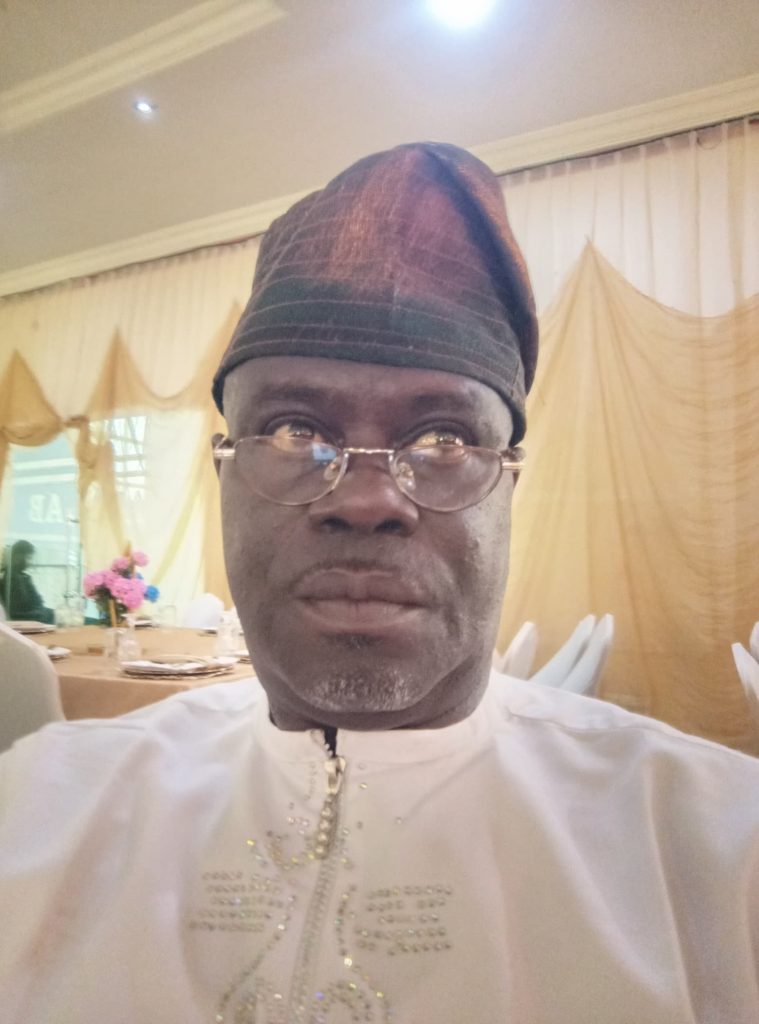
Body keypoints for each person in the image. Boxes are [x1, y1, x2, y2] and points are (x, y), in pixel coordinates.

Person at [1, 143, 758, 1024]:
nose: (365, 501)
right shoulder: (42, 804)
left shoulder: (710, 846)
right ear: (223, 472)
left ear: (508, 485)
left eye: (442, 439)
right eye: (294, 430)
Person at [0, 539, 53, 623]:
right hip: (22, 618)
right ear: (17, 557)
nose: (30, 562)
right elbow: (16, 611)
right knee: (54, 615)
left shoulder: (22, 577)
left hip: (32, 613)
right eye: (28, 558)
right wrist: (41, 612)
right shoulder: (11, 578)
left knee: (54, 614)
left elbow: (37, 601)